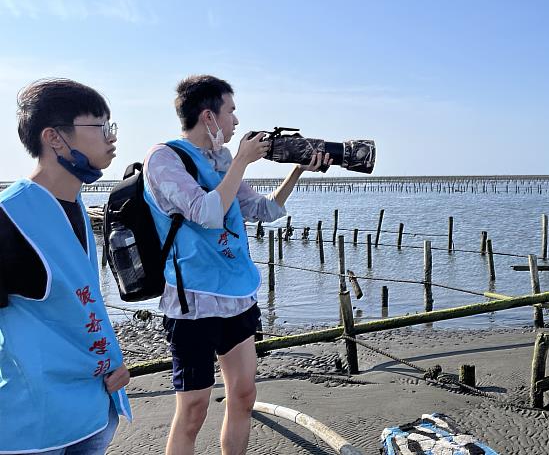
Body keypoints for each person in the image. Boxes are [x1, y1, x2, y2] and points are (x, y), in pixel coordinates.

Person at [142, 75, 328, 455]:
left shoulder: (222, 159)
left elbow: (265, 210)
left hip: (238, 293)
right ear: (209, 116)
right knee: (193, 410)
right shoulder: (164, 158)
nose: (237, 123)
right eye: (231, 112)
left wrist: (297, 171)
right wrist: (242, 160)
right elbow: (205, 213)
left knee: (243, 395)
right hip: (192, 301)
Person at [0, 78, 131, 454]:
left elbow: (76, 307)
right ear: (55, 138)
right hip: (31, 426)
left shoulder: (73, 207)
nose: (112, 137)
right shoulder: (9, 217)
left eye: (111, 126)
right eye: (100, 126)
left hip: (90, 409)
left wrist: (113, 359)